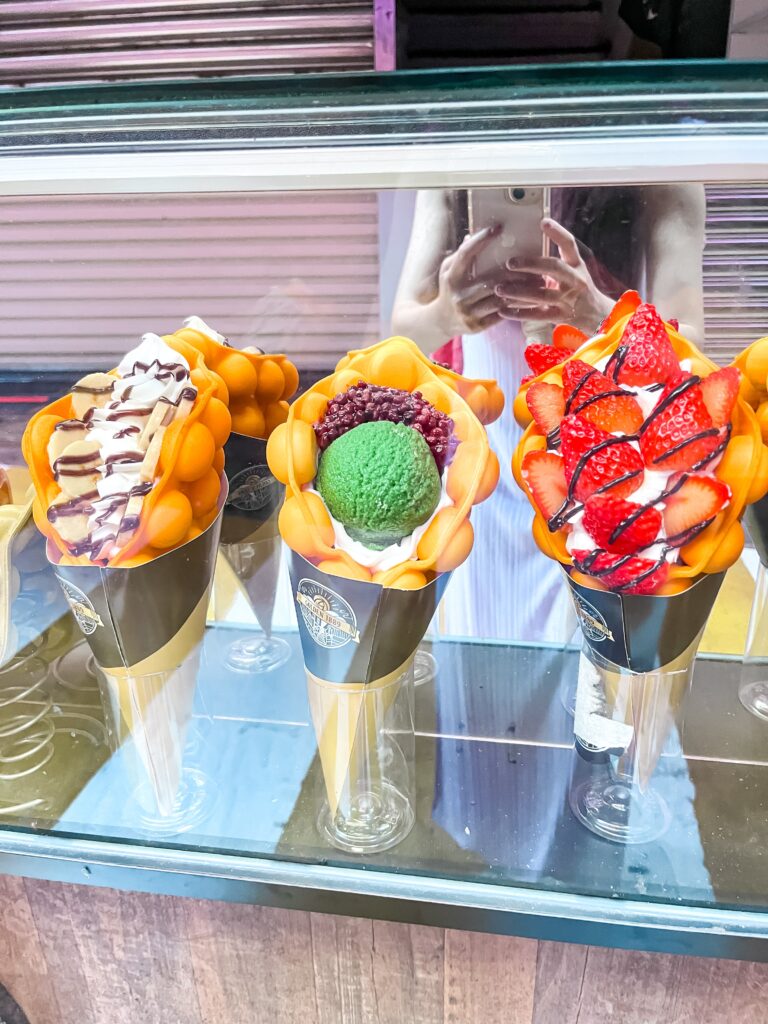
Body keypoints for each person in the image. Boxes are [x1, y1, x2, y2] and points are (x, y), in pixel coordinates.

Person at [391, 185, 706, 641]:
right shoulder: (456, 134)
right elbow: (404, 335)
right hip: (482, 438)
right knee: (479, 629)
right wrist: (447, 314)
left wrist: (600, 315)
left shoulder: (654, 142)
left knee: (592, 632)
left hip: (605, 442)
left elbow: (691, 349)